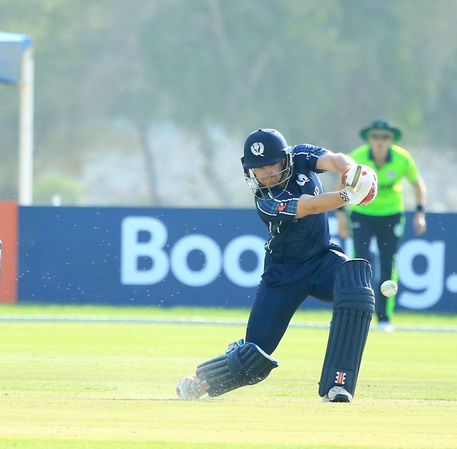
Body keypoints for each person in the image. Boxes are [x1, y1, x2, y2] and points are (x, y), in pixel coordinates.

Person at [176, 128, 378, 403]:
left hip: (322, 260)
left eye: (271, 164)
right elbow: (311, 205)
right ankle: (202, 380)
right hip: (283, 275)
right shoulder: (266, 201)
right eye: (258, 168)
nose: (267, 173)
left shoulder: (300, 155)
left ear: (285, 159)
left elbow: (335, 160)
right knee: (253, 360)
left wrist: (355, 174)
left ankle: (338, 385)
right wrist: (349, 195)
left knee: (356, 286)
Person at [336, 119, 426, 333]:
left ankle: (385, 318)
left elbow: (417, 184)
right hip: (362, 214)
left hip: (391, 216)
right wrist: (340, 215)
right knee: (362, 262)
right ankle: (360, 314)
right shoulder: (357, 157)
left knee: (388, 263)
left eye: (385, 137)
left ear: (391, 140)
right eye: (376, 136)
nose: (380, 141)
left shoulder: (402, 158)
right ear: (369, 138)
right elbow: (342, 184)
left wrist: (420, 212)